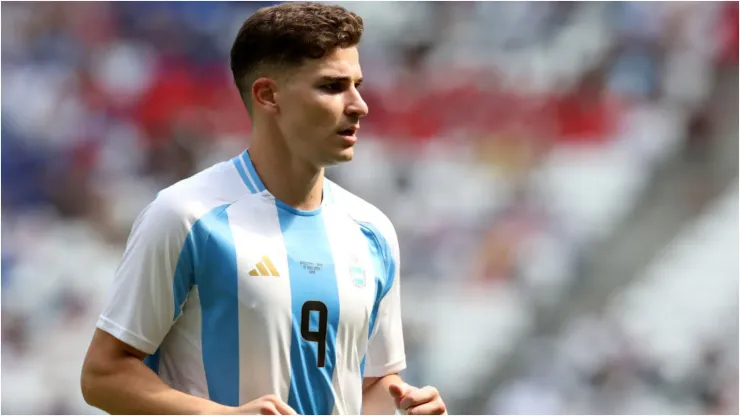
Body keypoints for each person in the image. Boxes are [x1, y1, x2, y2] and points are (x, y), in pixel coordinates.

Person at [80, 3, 447, 415]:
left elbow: (372, 384)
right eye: (332, 86)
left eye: (357, 84)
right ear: (268, 95)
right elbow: (102, 375)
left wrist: (405, 407)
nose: (359, 104)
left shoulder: (372, 230)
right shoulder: (186, 215)